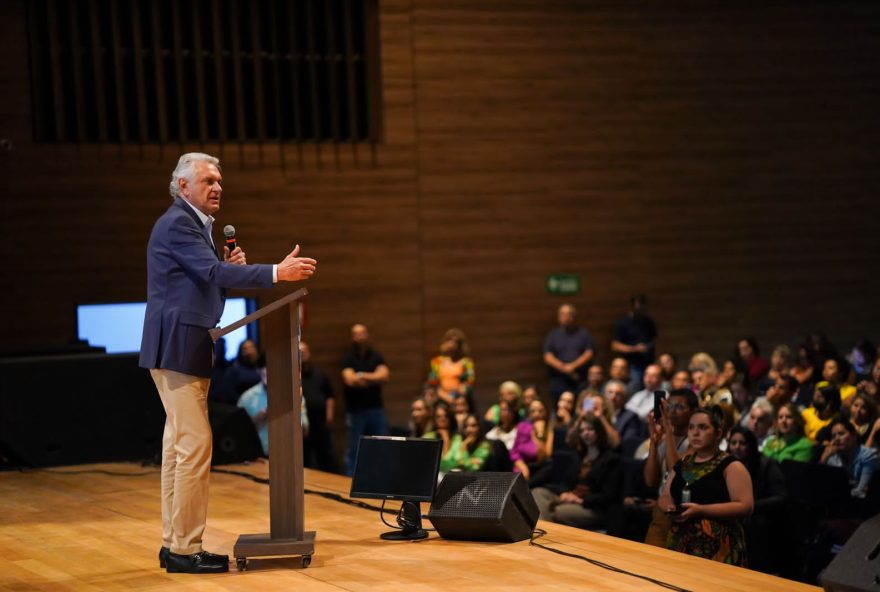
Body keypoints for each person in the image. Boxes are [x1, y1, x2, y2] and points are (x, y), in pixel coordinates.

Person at [139, 152, 316, 573]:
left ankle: (173, 543)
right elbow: (211, 278)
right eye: (208, 180)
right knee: (196, 447)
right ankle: (185, 549)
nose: (217, 187)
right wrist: (276, 272)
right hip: (177, 347)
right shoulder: (179, 223)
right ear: (183, 186)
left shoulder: (196, 227)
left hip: (184, 346)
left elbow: (206, 291)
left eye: (219, 181)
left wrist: (226, 269)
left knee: (178, 450)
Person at [660, 407, 753, 566]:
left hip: (718, 545)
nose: (695, 433)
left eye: (702, 427)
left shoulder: (731, 466)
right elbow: (666, 495)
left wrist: (701, 510)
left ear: (718, 433)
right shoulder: (684, 462)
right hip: (680, 539)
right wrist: (669, 508)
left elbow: (745, 506)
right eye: (691, 427)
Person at [531, 414, 622, 530]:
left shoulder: (611, 459)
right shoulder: (579, 456)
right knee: (538, 492)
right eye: (583, 430)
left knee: (556, 512)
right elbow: (566, 483)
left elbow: (608, 496)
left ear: (599, 432)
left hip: (591, 506)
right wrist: (565, 493)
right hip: (572, 497)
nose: (586, 433)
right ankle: (543, 535)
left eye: (590, 429)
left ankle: (542, 535)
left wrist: (579, 500)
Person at [727, 426, 787, 573]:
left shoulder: (766, 464)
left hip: (762, 520)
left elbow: (781, 498)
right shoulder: (727, 466)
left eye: (742, 443)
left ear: (751, 445)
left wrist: (749, 506)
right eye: (733, 443)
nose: (737, 447)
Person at [643, 389, 698, 547]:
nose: (672, 412)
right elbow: (650, 480)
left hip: (683, 513)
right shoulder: (664, 438)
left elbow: (678, 472)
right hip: (662, 510)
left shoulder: (695, 442)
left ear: (693, 412)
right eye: (669, 406)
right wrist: (654, 442)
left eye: (679, 407)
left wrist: (667, 427)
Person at [341, 324, 390, 475]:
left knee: (382, 444)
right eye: (356, 334)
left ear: (367, 335)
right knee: (354, 448)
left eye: (362, 333)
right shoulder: (348, 358)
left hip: (376, 409)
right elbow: (349, 380)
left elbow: (385, 376)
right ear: (352, 337)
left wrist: (361, 375)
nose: (360, 336)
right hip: (356, 411)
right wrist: (373, 378)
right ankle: (351, 479)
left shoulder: (376, 356)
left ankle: (382, 477)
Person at [543, 303, 595, 401]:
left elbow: (589, 353)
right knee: (559, 408)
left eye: (569, 314)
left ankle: (587, 415)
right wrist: (564, 367)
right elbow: (547, 356)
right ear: (558, 317)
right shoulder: (553, 335)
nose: (565, 317)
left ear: (574, 317)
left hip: (580, 380)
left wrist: (573, 366)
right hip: (559, 381)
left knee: (587, 404)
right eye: (562, 314)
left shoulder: (584, 334)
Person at [300, 341, 337, 473]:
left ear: (309, 353)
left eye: (305, 351)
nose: (303, 353)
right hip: (302, 427)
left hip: (321, 423)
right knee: (305, 460)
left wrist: (329, 417)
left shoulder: (320, 373)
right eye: (300, 351)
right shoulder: (293, 376)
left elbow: (330, 396)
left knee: (327, 458)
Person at [821, 419, 879, 498]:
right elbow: (820, 485)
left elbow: (862, 490)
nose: (837, 439)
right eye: (833, 436)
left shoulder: (868, 456)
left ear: (854, 435)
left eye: (841, 434)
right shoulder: (833, 458)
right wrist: (823, 459)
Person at [611, 294, 657, 387]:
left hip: (648, 361)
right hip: (631, 364)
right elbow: (615, 345)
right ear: (632, 307)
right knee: (634, 386)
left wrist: (649, 347)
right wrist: (635, 349)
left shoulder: (649, 322)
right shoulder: (624, 323)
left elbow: (655, 340)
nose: (640, 309)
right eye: (637, 307)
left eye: (642, 307)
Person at [426, 328, 475, 406]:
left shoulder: (467, 362)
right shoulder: (437, 362)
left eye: (456, 342)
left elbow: (470, 382)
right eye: (450, 340)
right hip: (440, 400)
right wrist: (444, 396)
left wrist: (460, 394)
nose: (452, 344)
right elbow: (432, 383)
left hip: (459, 401)